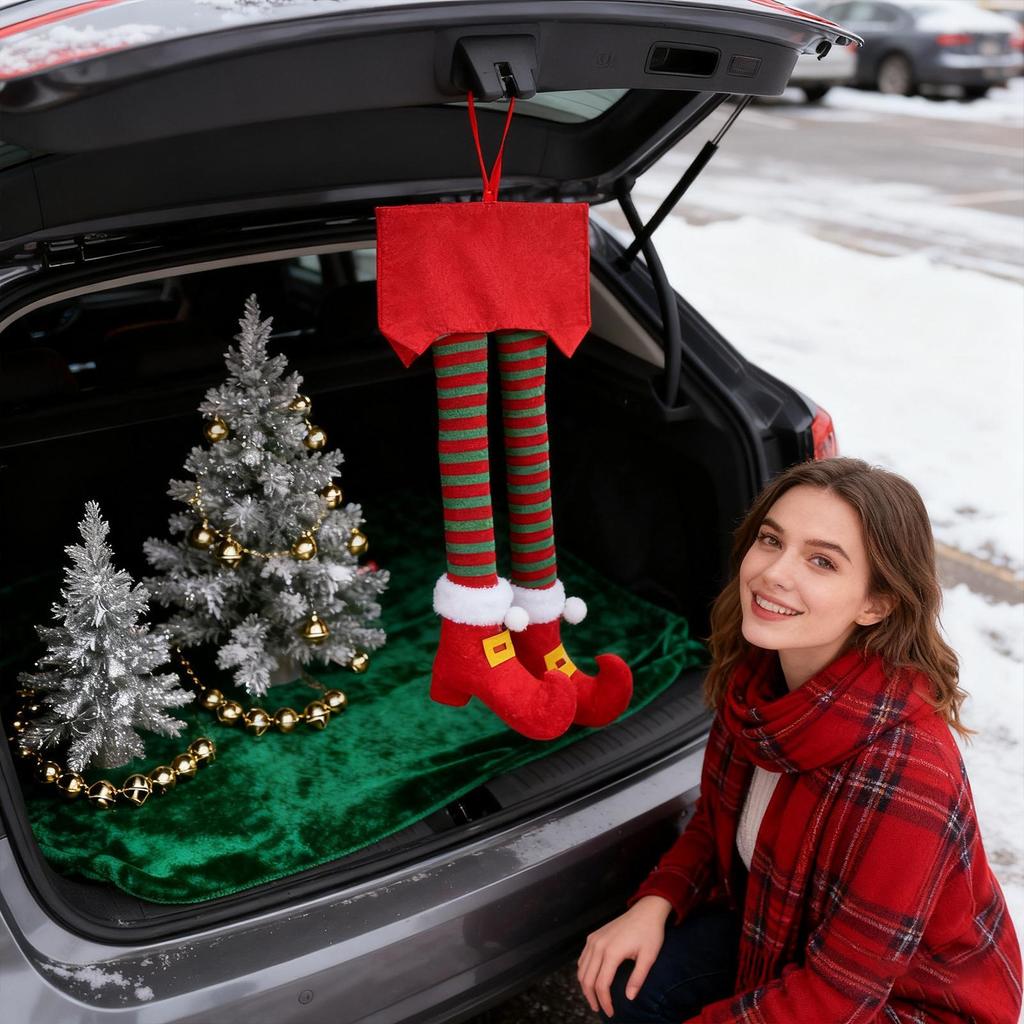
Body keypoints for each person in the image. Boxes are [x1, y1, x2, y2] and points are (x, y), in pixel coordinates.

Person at [577, 457, 1022, 1023]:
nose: (774, 573)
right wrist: (655, 902)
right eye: (770, 540)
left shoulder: (910, 771)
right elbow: (716, 823)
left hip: (909, 1003)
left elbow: (839, 998)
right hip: (784, 930)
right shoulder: (761, 684)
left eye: (821, 561)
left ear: (876, 604)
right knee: (629, 983)